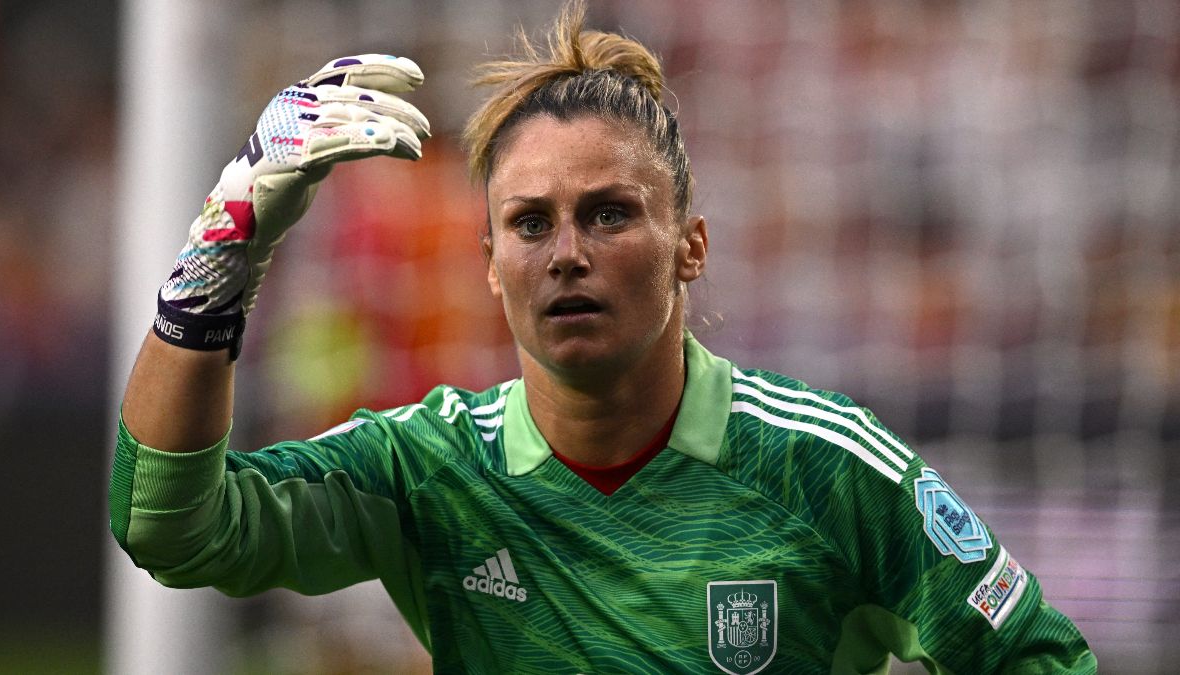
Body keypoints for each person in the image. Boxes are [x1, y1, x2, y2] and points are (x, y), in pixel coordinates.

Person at [110, 3, 1096, 673]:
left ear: (691, 247)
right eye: (531, 224)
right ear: (490, 262)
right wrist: (222, 248)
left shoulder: (823, 467)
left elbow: (1042, 658)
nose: (567, 253)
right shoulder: (431, 469)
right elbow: (167, 527)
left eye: (611, 214)